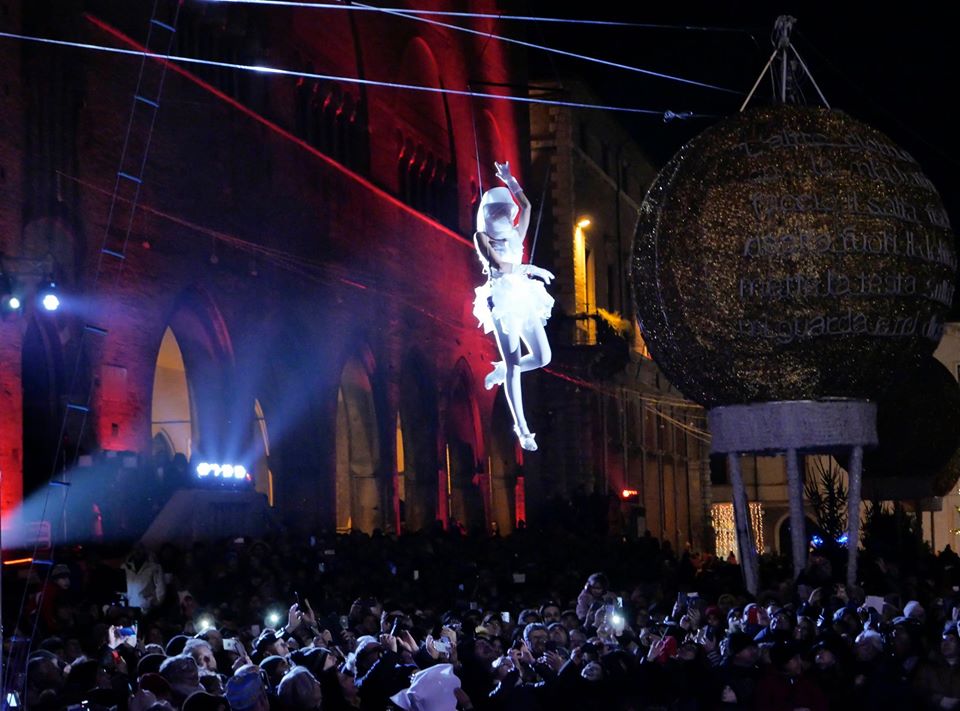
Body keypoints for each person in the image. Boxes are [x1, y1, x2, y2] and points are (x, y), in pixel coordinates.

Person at [472, 161, 554, 451]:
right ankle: (522, 428)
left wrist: (510, 180)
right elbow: (497, 264)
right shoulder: (482, 237)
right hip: (502, 298)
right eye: (498, 213)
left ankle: (498, 370)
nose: (505, 215)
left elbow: (527, 207)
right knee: (515, 364)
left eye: (505, 212)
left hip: (523, 294)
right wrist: (527, 268)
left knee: (543, 357)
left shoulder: (516, 233)